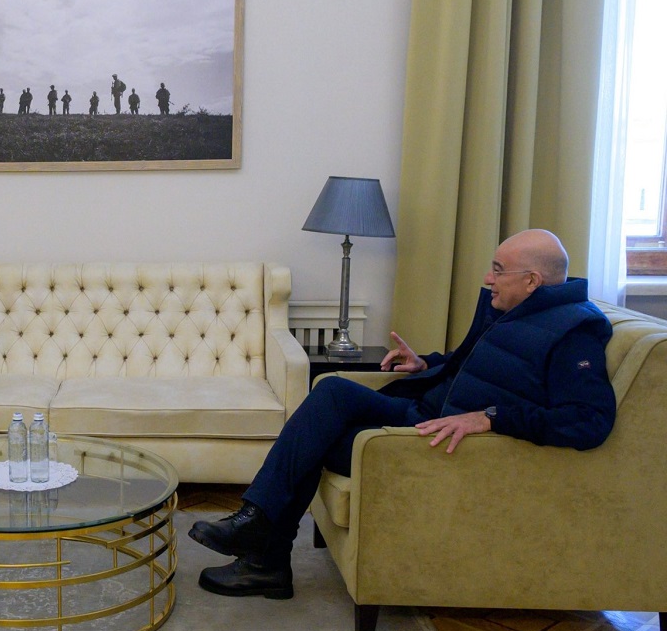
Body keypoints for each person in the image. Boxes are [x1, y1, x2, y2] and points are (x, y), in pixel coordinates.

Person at [188, 229, 616, 598]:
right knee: (332, 391)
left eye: (498, 270)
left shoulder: (574, 332)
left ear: (532, 280)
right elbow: (469, 363)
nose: (488, 278)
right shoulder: (511, 306)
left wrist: (489, 417)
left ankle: (263, 553)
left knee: (316, 440)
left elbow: (588, 420)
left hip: (441, 438)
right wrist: (426, 363)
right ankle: (259, 533)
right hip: (423, 409)